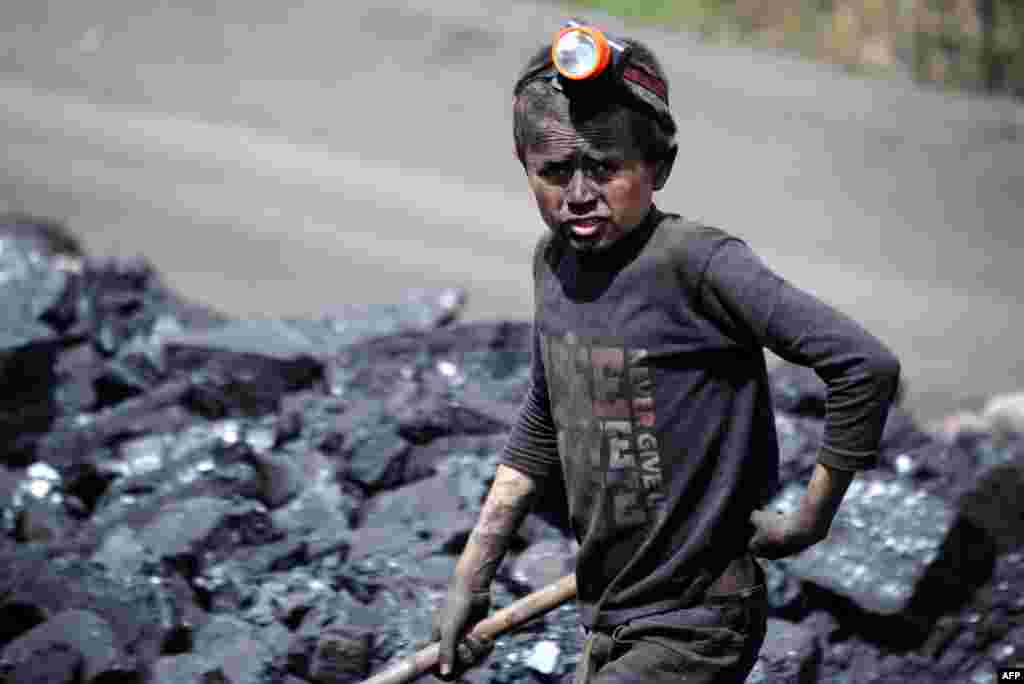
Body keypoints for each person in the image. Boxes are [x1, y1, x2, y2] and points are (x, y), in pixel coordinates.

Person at [428, 20, 901, 684]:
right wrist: (468, 584)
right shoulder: (554, 263)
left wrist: (807, 521)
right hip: (608, 616)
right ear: (525, 168)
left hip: (698, 620)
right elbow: (543, 419)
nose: (580, 194)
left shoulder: (696, 264)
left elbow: (863, 366)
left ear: (660, 166)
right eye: (556, 171)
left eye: (606, 167)